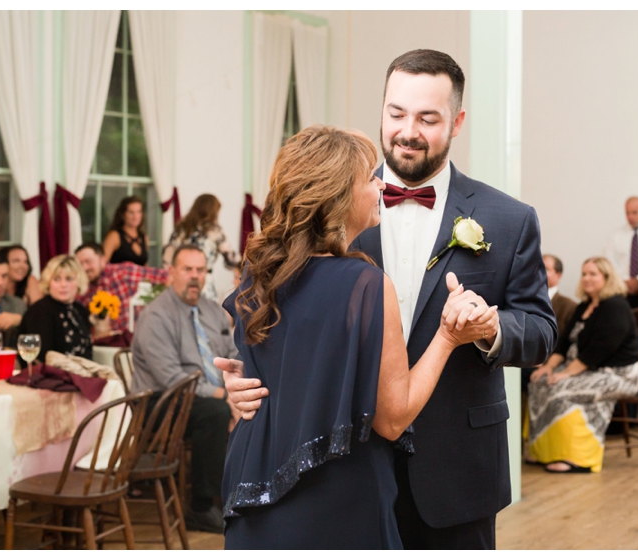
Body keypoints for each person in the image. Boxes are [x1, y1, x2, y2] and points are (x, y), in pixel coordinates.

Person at [221, 49, 556, 549]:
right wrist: (245, 387)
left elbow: (541, 331)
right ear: (381, 109)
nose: (408, 130)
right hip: (336, 472)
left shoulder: (508, 219)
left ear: (457, 121)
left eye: (427, 118)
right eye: (396, 113)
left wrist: (490, 329)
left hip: (454, 474)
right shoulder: (332, 207)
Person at [131, 244, 237, 534]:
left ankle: (243, 495)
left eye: (200, 270)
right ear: (171, 273)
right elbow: (172, 379)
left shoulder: (213, 311)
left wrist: (238, 388)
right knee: (215, 412)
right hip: (157, 403)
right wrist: (225, 397)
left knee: (256, 402)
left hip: (209, 396)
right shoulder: (156, 316)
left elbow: (233, 354)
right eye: (187, 269)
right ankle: (201, 508)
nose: (194, 276)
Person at [526, 257, 638, 473]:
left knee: (561, 391)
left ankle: (576, 458)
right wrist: (548, 368)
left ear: (607, 278)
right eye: (584, 274)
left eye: (593, 274)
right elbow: (563, 344)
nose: (586, 279)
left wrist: (566, 375)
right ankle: (543, 451)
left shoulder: (615, 306)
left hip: (620, 374)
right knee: (539, 383)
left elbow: (598, 351)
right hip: (588, 367)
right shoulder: (584, 306)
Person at [75, 241, 169, 333]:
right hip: (102, 344)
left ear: (103, 259)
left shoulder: (124, 272)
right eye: (80, 264)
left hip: (132, 341)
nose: (84, 268)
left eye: (88, 262)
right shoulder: (80, 289)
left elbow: (165, 276)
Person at [162, 194, 242, 301]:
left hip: (181, 281)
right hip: (203, 282)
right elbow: (232, 259)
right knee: (207, 315)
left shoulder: (181, 229)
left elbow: (167, 258)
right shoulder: (214, 230)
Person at [522, 254, 578, 392]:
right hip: (520, 360)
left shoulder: (569, 306)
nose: (538, 271)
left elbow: (566, 342)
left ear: (558, 275)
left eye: (545, 268)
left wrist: (547, 363)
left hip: (550, 364)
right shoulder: (522, 301)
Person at [21, 255, 93, 360]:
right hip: (52, 374)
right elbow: (42, 357)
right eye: (57, 279)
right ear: (48, 283)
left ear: (78, 282)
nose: (63, 285)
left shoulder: (80, 310)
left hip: (82, 373)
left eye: (69, 279)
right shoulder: (40, 311)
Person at [603, 196, 638, 308]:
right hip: (622, 289)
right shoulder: (616, 235)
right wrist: (626, 281)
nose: (630, 217)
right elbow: (611, 261)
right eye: (627, 213)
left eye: (634, 212)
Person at [103, 196, 150, 266]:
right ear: (123, 214)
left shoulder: (144, 237)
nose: (135, 216)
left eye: (138, 212)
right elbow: (102, 264)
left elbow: (144, 265)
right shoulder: (114, 236)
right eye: (131, 212)